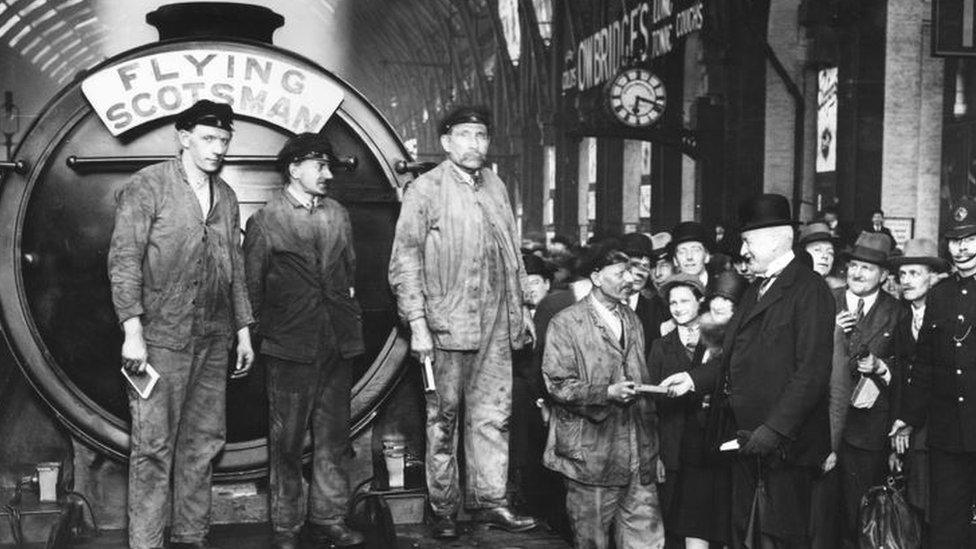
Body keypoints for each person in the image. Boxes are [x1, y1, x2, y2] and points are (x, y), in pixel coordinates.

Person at [108, 100, 254, 549]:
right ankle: (147, 543)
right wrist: (133, 331)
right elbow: (124, 260)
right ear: (184, 136)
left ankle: (192, 537)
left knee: (204, 444)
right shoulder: (148, 185)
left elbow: (235, 267)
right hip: (160, 340)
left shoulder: (226, 197)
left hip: (214, 339)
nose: (217, 149)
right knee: (153, 448)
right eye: (209, 139)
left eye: (224, 141)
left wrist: (244, 330)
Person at [388, 105, 537, 538]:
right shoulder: (426, 190)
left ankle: (491, 502)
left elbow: (514, 252)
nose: (476, 144)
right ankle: (445, 510)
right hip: (445, 324)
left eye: (482, 136)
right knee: (443, 420)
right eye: (466, 135)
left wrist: (523, 310)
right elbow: (405, 261)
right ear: (446, 142)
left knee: (494, 416)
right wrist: (417, 324)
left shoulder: (496, 185)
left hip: (494, 324)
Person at [663, 194, 834, 548]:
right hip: (746, 442)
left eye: (748, 240)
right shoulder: (757, 288)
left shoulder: (809, 289)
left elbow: (812, 374)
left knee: (779, 538)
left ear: (775, 238)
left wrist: (773, 430)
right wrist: (694, 379)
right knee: (745, 533)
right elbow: (734, 359)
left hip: (784, 449)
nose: (743, 250)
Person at [242, 133, 365, 549]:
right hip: (289, 347)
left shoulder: (339, 216)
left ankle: (329, 518)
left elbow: (349, 274)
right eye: (320, 167)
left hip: (336, 344)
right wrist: (262, 337)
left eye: (329, 167)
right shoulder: (266, 221)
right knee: (287, 442)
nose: (328, 175)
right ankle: (286, 528)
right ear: (294, 169)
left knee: (334, 439)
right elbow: (251, 289)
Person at [542, 244, 665, 549]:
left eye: (634, 272)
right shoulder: (567, 323)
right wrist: (606, 393)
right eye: (621, 272)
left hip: (638, 454)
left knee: (647, 540)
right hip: (591, 456)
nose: (630, 279)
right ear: (596, 277)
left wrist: (653, 451)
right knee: (592, 540)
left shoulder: (632, 320)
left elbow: (642, 381)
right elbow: (558, 384)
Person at [892, 198, 976, 546]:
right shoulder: (940, 295)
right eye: (955, 240)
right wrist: (906, 417)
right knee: (947, 525)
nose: (961, 248)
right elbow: (925, 362)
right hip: (949, 434)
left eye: (970, 238)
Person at [827, 232, 905, 547]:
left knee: (859, 513)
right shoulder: (827, 300)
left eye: (868, 268)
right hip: (823, 425)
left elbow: (906, 369)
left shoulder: (897, 312)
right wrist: (832, 330)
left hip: (868, 429)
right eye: (855, 266)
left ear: (885, 275)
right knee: (822, 513)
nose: (858, 274)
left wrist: (881, 367)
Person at [650, 273, 731, 548]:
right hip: (673, 450)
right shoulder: (660, 346)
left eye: (685, 300)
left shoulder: (714, 342)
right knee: (676, 525)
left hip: (708, 450)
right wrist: (656, 454)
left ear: (701, 302)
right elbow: (652, 406)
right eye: (673, 302)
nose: (678, 307)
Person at [887, 238, 949, 533]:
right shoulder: (902, 322)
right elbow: (900, 379)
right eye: (902, 275)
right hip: (907, 432)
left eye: (915, 273)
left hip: (938, 430)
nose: (907, 281)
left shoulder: (947, 319)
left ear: (933, 277)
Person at [622, 232, 670, 349]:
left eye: (645, 266)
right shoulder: (604, 303)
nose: (640, 272)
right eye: (634, 265)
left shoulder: (660, 309)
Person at [799, 221, 844, 290]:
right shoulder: (790, 289)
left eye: (830, 252)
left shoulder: (837, 293)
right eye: (817, 250)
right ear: (802, 254)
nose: (825, 256)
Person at [671, 222, 714, 288]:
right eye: (682, 252)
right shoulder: (669, 290)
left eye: (696, 250)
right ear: (675, 261)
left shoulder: (721, 287)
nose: (689, 257)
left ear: (707, 256)